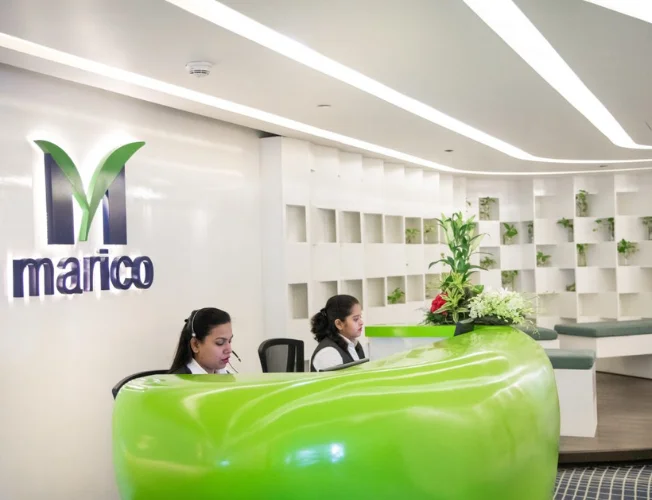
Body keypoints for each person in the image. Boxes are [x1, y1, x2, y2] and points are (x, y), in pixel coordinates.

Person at [169, 307, 234, 374]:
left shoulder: (229, 375)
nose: (229, 350)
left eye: (229, 341)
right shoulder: (179, 382)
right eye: (220, 342)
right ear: (195, 345)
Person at [310, 295, 365, 371]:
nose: (361, 322)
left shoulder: (355, 345)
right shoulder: (329, 354)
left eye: (360, 317)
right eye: (355, 319)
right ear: (339, 324)